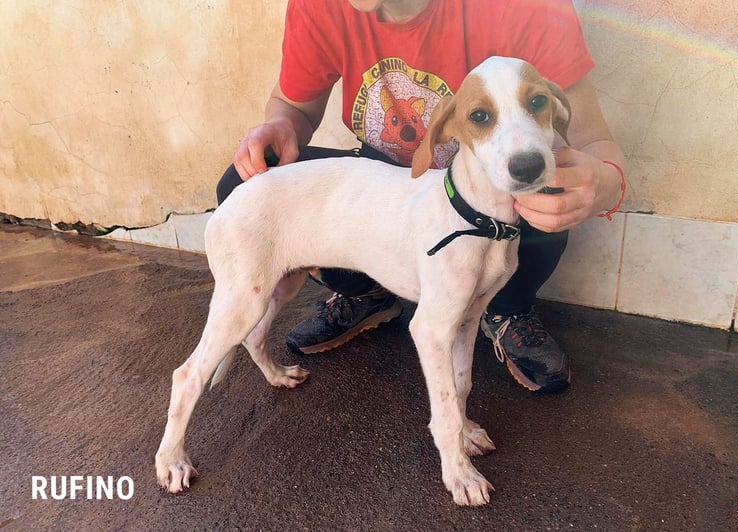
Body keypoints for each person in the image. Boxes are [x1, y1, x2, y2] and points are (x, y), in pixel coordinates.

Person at [216, 0, 625, 393]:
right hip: (395, 185)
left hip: (502, 198)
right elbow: (293, 106)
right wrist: (282, 126)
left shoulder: (524, 6)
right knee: (244, 186)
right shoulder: (320, 4)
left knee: (548, 184)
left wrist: (604, 184)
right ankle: (369, 291)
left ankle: (507, 308)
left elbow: (593, 141)